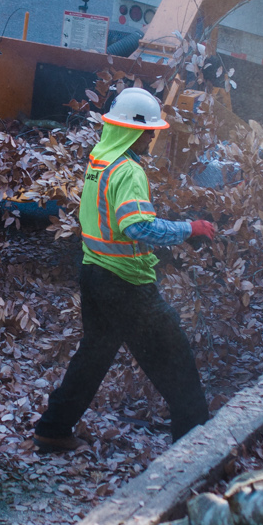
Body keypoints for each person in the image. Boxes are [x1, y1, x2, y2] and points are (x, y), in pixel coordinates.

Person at [32, 86, 216, 452]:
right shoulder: (129, 170)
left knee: (95, 353)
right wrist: (188, 229)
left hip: (94, 274)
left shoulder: (100, 160)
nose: (152, 138)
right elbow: (137, 227)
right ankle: (196, 450)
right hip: (126, 284)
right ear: (135, 131)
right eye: (150, 131)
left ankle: (53, 429)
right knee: (174, 358)